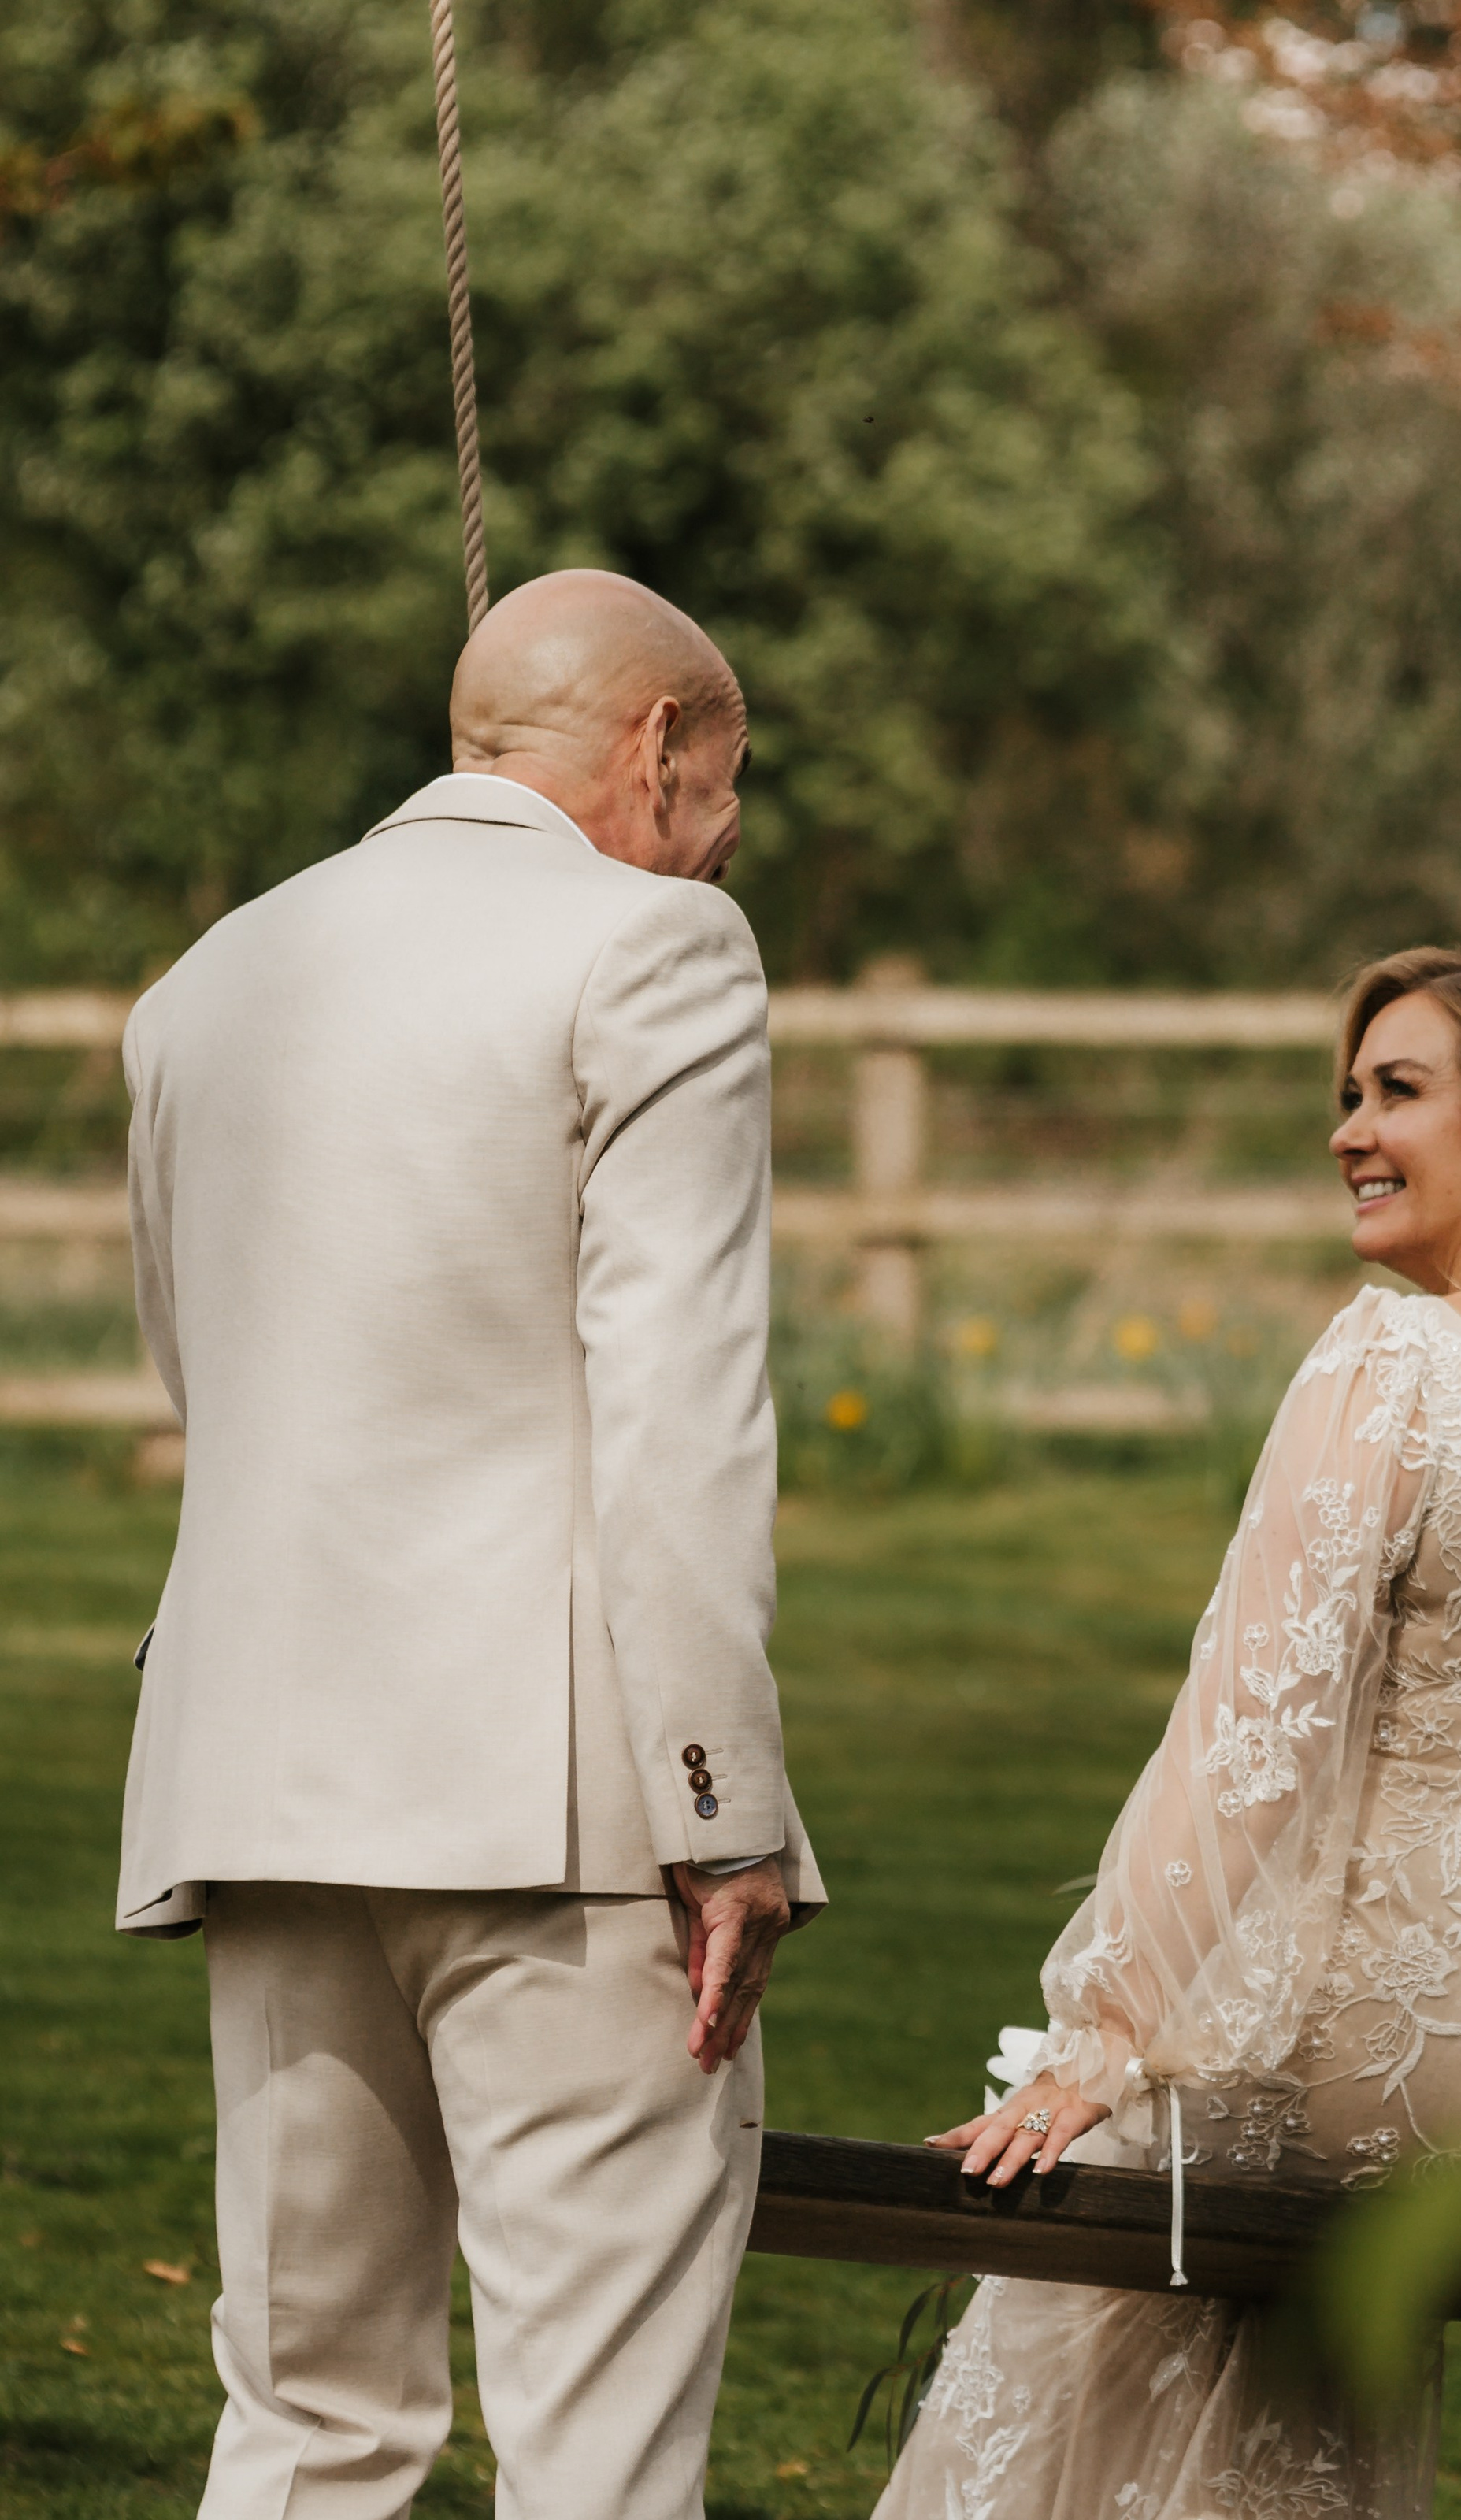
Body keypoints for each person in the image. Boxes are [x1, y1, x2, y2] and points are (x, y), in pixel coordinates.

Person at [875, 917, 1461, 2520]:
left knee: (1113, 2157)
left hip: (1430, 2063)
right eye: (1346, 1093)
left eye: (1393, 1092)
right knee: (1243, 2233)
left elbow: (1252, 1735)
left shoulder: (1403, 1360)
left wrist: (1097, 2037)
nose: (1345, 1132)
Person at [117, 569, 822, 2519]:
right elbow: (678, 1411)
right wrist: (723, 1809)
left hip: (257, 1785)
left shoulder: (206, 982)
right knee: (592, 2453)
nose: (719, 833)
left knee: (306, 2432)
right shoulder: (659, 950)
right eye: (722, 785)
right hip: (570, 1804)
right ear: (656, 741)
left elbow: (214, 1381)